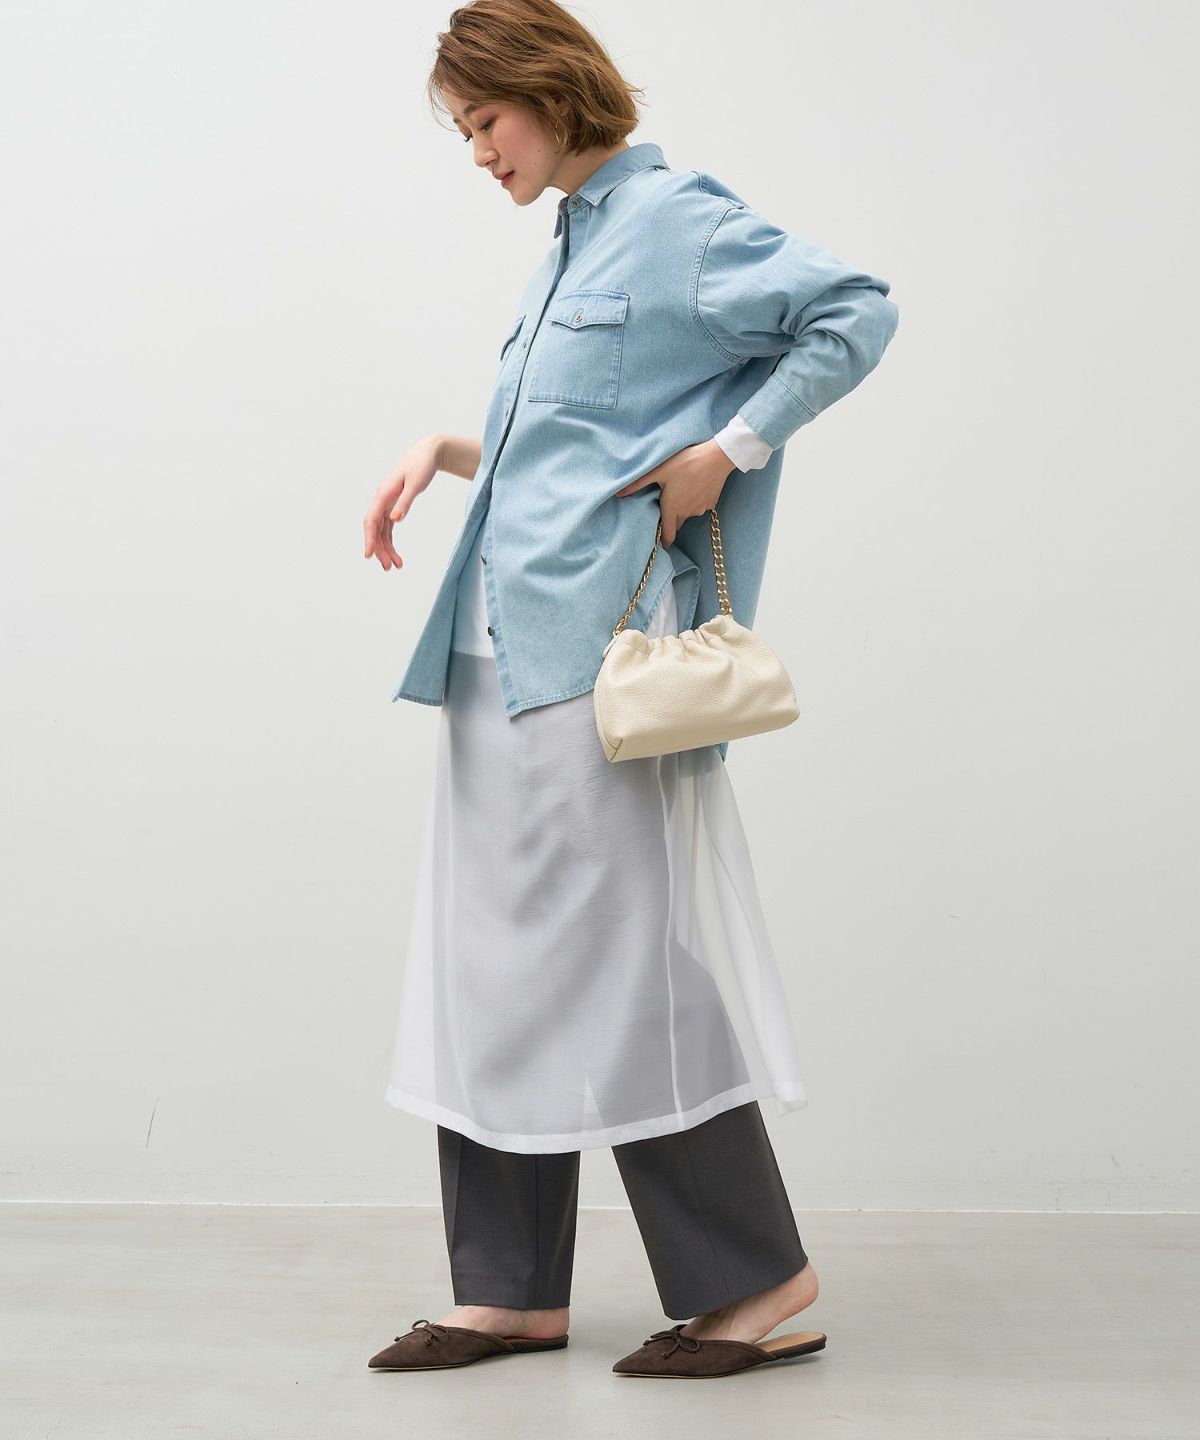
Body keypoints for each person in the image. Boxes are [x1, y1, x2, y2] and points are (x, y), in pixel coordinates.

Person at [361, 0, 898, 1380]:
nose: (479, 152)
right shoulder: (573, 238)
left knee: (616, 959)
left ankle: (757, 1279)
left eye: (486, 120)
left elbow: (855, 311)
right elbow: (581, 444)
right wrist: (449, 447)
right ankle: (508, 1292)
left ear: (550, 90)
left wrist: (731, 450)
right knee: (492, 964)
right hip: (495, 651)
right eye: (465, 130)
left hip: (590, 663)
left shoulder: (676, 222)